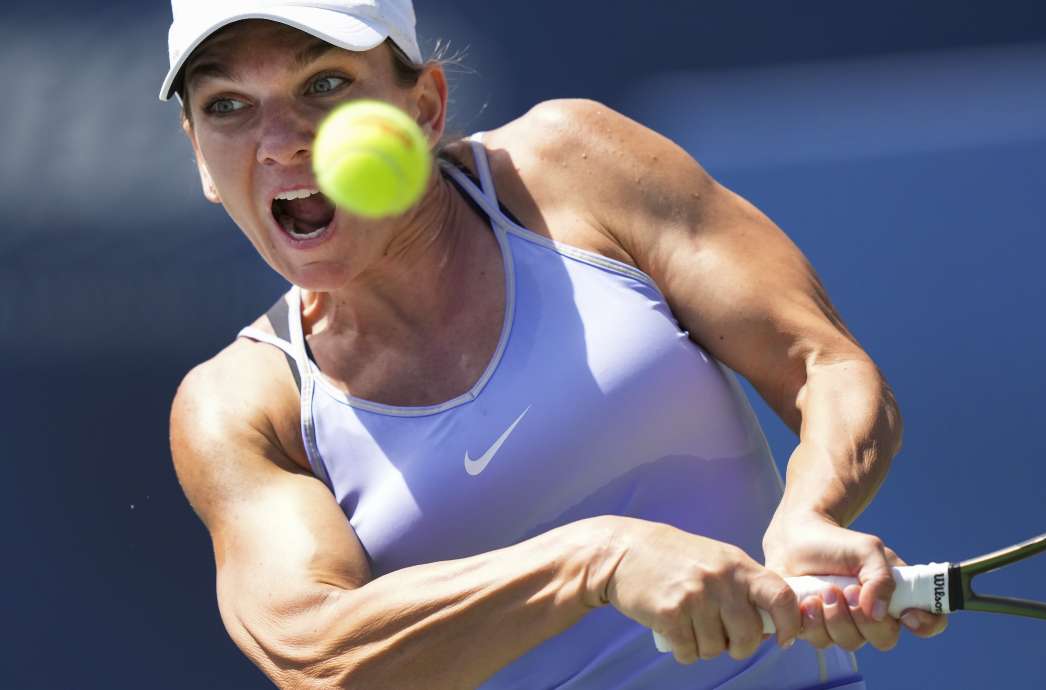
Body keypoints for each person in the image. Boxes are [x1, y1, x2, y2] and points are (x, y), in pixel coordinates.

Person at [163, 1, 946, 688]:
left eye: (324, 84)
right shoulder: (239, 407)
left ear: (424, 107)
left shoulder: (574, 166)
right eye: (228, 105)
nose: (279, 141)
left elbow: (823, 363)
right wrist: (598, 561)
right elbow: (319, 656)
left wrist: (809, 516)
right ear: (200, 156)